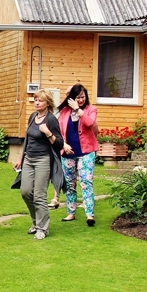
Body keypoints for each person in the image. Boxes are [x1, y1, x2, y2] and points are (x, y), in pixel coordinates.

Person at [13, 89, 64, 240]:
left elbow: (60, 144)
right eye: (35, 100)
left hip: (44, 159)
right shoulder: (33, 116)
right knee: (25, 191)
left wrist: (48, 133)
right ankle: (36, 222)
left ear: (47, 103)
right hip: (29, 158)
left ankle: (42, 228)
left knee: (39, 195)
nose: (36, 103)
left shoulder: (51, 120)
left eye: (40, 100)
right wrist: (21, 159)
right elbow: (28, 140)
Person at [56, 83, 99, 226]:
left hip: (86, 152)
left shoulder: (90, 109)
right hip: (68, 152)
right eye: (77, 97)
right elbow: (59, 131)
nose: (80, 100)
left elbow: (89, 122)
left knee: (86, 182)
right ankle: (71, 212)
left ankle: (89, 214)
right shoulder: (64, 112)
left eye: (82, 97)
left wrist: (78, 109)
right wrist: (63, 145)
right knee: (70, 184)